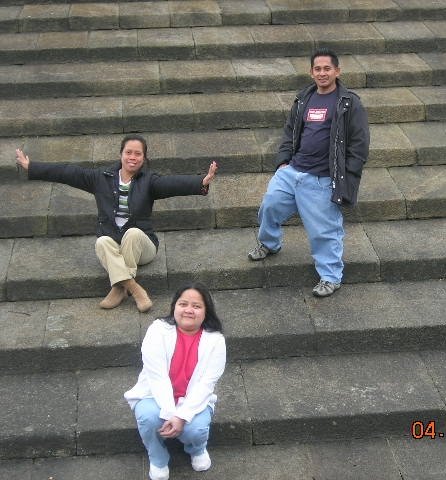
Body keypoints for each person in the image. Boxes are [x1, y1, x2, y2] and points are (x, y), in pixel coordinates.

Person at [15, 135, 218, 312]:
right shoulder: (100, 178)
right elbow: (67, 172)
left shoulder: (149, 181)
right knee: (102, 242)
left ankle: (118, 288)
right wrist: (32, 167)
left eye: (138, 154)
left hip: (142, 246)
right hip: (114, 243)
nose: (132, 157)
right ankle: (133, 288)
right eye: (128, 152)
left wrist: (202, 181)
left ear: (144, 158)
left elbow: (174, 184)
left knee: (133, 233)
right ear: (121, 154)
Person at [248, 47, 370, 297]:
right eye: (318, 69)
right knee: (269, 206)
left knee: (323, 232)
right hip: (292, 172)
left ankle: (331, 276)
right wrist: (283, 162)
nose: (322, 73)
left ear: (337, 71)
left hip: (322, 179)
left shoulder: (348, 102)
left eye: (327, 68)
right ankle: (270, 243)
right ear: (311, 72)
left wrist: (346, 176)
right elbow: (289, 131)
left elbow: (359, 144)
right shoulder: (304, 97)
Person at [124, 282, 226, 480]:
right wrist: (171, 413)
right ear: (174, 306)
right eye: (183, 304)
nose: (188, 310)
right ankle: (158, 458)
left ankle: (196, 449)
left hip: (193, 400)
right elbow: (157, 377)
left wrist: (181, 416)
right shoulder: (157, 330)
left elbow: (206, 384)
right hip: (154, 395)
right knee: (148, 416)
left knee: (195, 429)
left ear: (206, 312)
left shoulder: (216, 340)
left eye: (196, 306)